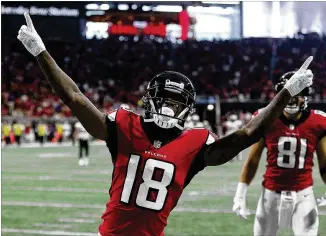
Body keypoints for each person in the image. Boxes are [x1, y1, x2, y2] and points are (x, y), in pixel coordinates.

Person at [18, 13, 314, 236]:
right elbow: (74, 97)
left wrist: (286, 92)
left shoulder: (195, 144)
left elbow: (250, 132)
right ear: (150, 101)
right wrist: (40, 51)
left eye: (176, 103)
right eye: (165, 100)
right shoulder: (124, 126)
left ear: (186, 110)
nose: (169, 108)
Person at [232, 71, 326, 236]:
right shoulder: (265, 118)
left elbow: (325, 164)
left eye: (297, 93)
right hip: (270, 196)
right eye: (287, 92)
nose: (291, 98)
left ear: (305, 96)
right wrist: (240, 195)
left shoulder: (318, 122)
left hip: (303, 196)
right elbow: (253, 161)